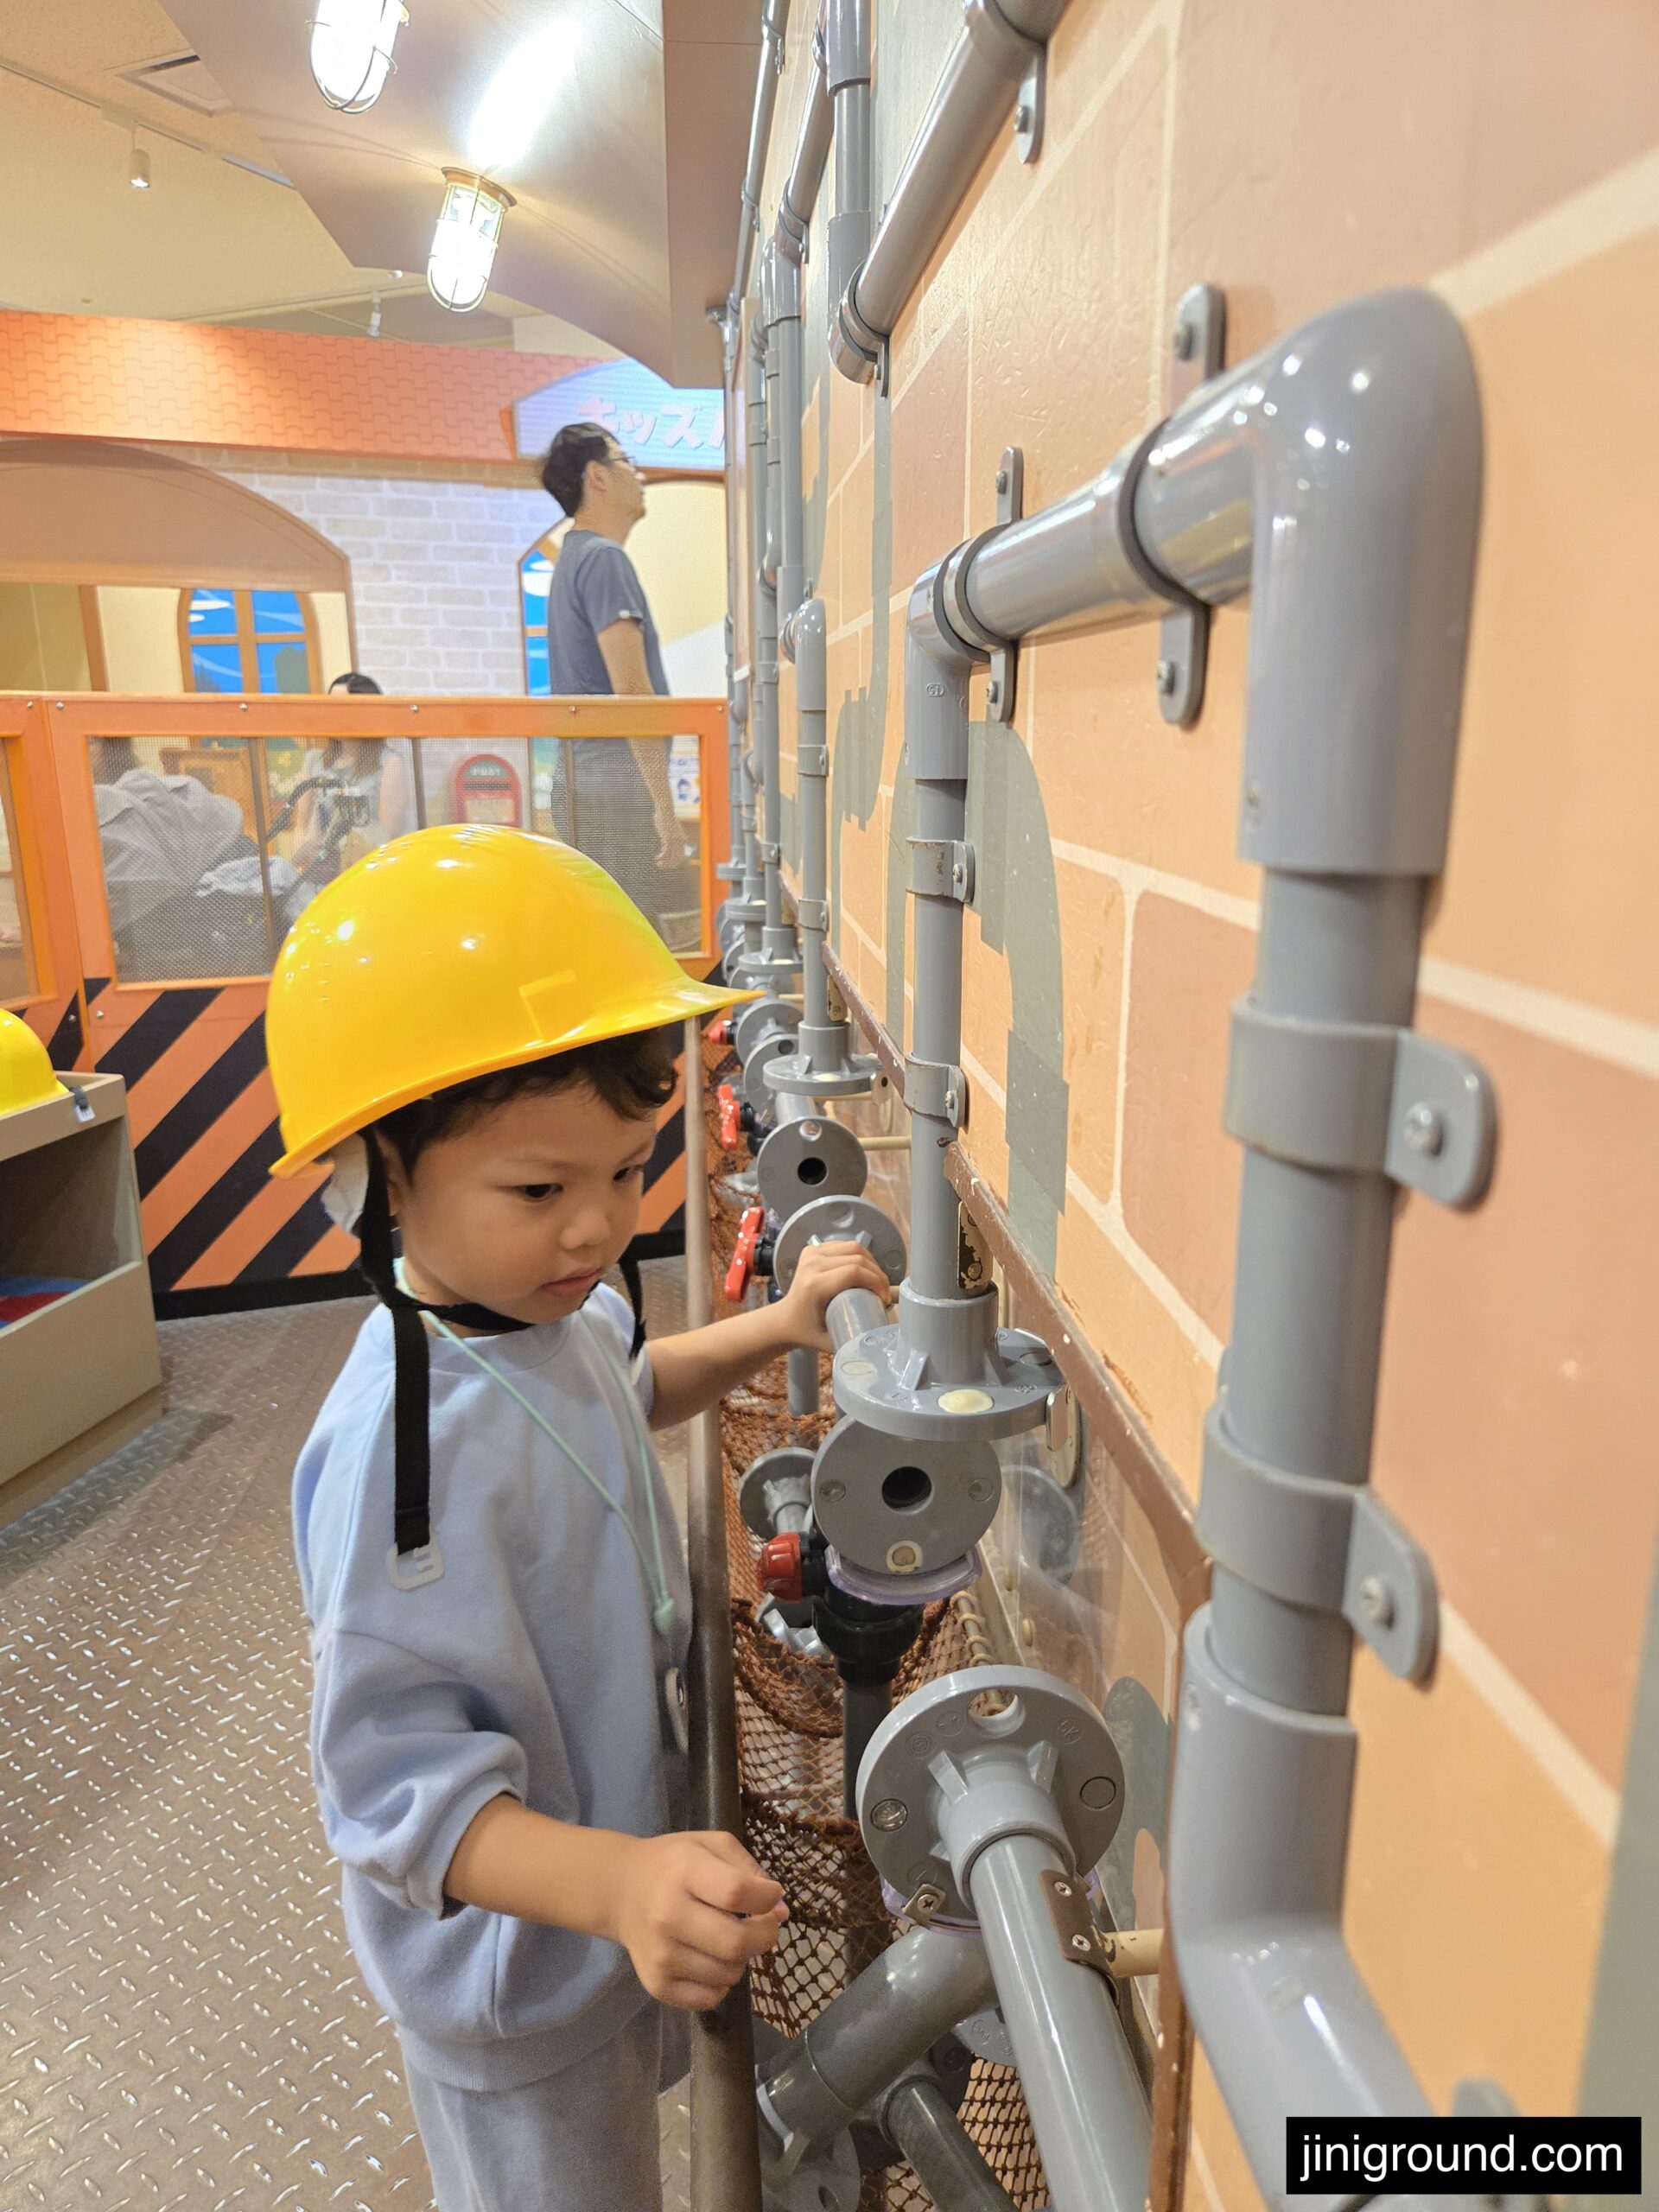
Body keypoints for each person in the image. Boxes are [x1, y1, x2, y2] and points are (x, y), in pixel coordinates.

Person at [266, 825, 890, 2212]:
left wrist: (776, 1326)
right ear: (373, 1179)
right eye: (540, 1190)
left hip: (605, 1889)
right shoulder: (401, 1458)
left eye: (627, 1169)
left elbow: (624, 1387)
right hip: (515, 1971)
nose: (597, 1227)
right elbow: (391, 1798)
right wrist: (611, 1887)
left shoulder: (555, 1314)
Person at [537, 422, 684, 923]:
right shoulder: (603, 560)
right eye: (628, 462)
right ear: (596, 476)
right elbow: (632, 692)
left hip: (586, 787)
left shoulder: (575, 557)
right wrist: (663, 806)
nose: (638, 475)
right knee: (635, 942)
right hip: (615, 794)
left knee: (610, 933)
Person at [287, 671, 413, 885]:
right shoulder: (313, 762)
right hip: (319, 876)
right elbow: (301, 825)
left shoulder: (389, 763)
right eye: (330, 708)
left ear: (366, 712)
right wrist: (305, 855)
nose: (334, 716)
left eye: (343, 708)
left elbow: (387, 836)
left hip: (369, 877)